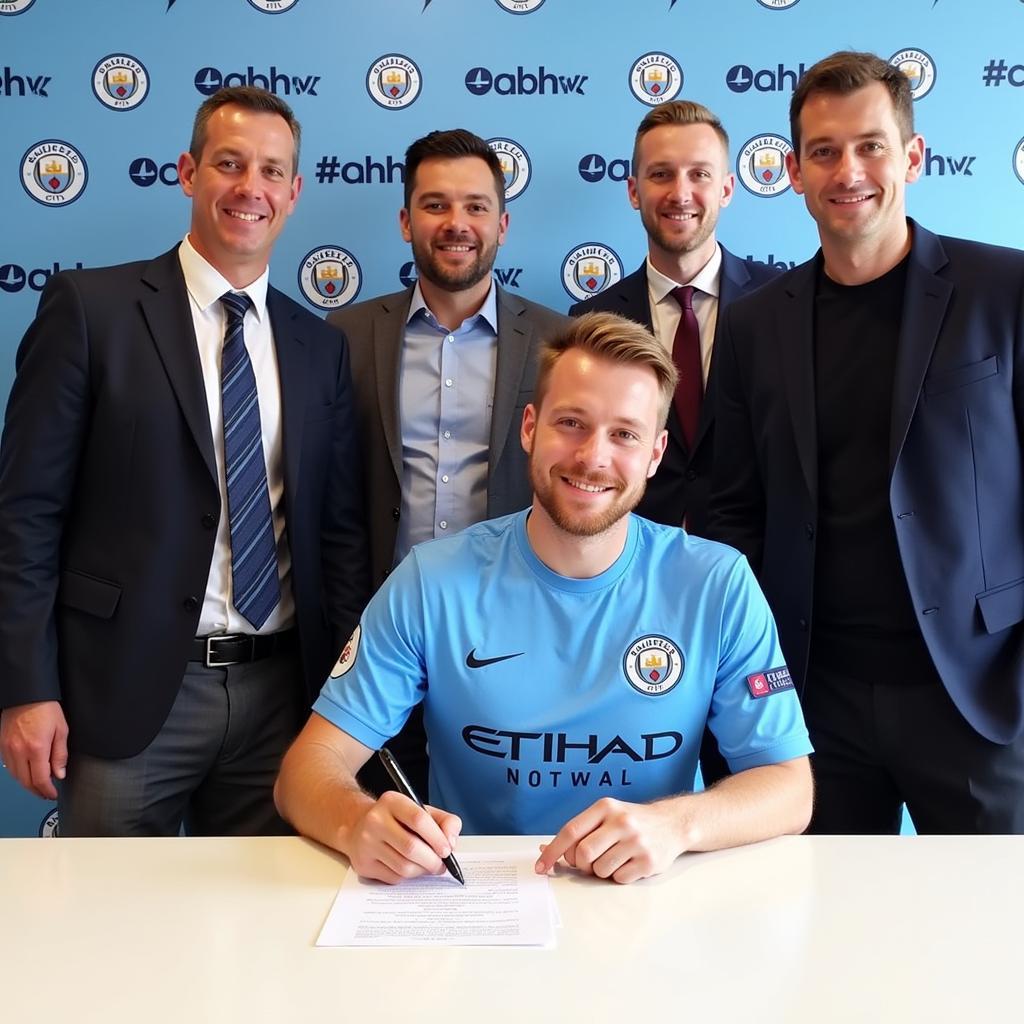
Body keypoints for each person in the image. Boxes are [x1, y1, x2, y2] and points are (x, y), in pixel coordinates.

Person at [275, 312, 813, 885]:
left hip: (646, 908)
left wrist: (676, 826)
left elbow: (789, 787)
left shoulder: (716, 583)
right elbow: (305, 772)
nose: (593, 457)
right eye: (572, 423)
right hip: (481, 902)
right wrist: (358, 822)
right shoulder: (432, 581)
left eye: (624, 434)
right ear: (530, 427)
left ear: (656, 454)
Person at [0, 86, 367, 836]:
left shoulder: (317, 345)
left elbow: (337, 535)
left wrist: (348, 696)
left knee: (259, 932)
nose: (249, 188)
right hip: (127, 691)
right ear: (188, 172)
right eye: (229, 163)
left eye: (271, 171)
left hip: (280, 696)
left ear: (293, 194)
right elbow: (26, 516)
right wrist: (24, 689)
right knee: (112, 928)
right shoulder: (90, 311)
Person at [709, 50, 1024, 833]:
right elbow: (731, 508)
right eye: (824, 151)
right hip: (815, 705)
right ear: (793, 171)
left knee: (988, 942)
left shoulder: (1006, 291)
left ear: (912, 156)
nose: (848, 170)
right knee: (828, 940)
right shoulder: (750, 324)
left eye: (870, 145)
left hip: (977, 697)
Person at [328, 128, 566, 795]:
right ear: (406, 220)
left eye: (475, 206)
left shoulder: (556, 340)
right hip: (381, 633)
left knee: (506, 838)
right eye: (435, 205)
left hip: (513, 635)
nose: (456, 224)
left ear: (503, 223)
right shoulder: (343, 338)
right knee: (379, 838)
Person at [568, 100, 780, 536]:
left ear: (726, 189)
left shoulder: (782, 302)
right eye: (661, 174)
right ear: (633, 191)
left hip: (756, 561)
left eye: (699, 174)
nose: (680, 194)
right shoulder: (592, 318)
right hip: (632, 564)